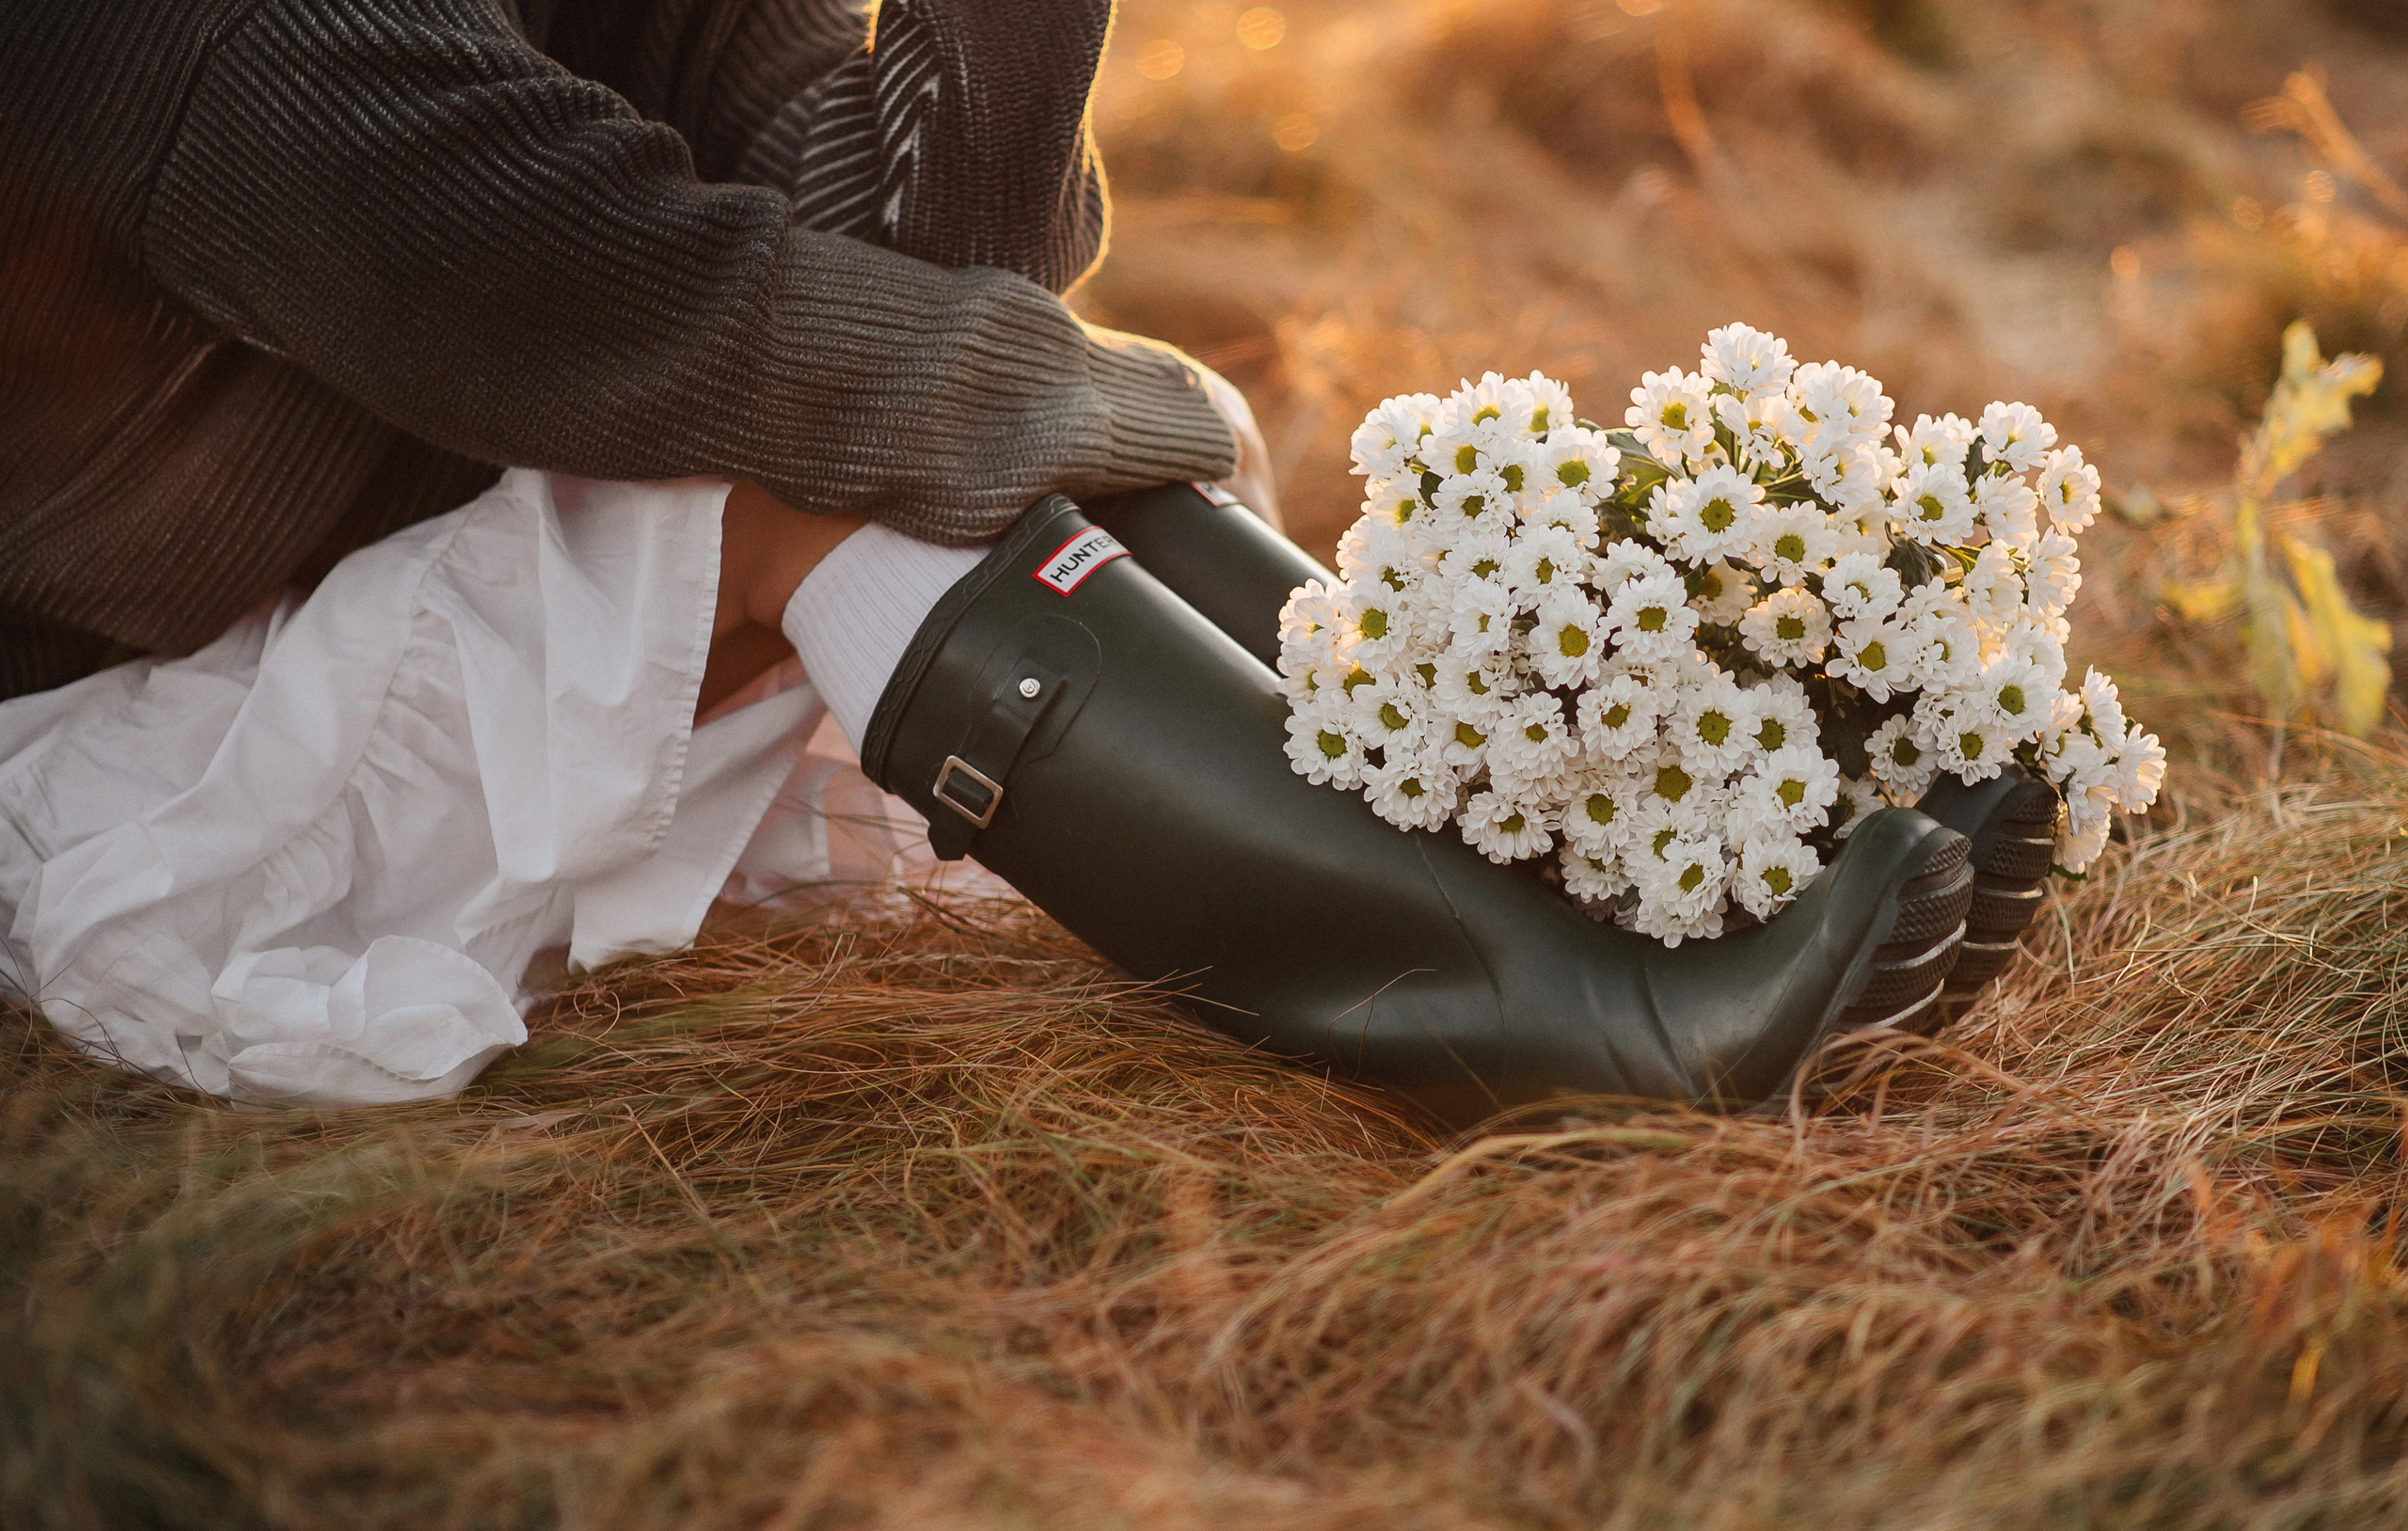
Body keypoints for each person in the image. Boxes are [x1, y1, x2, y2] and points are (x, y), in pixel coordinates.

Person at [0, 0, 2014, 1122]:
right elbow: (694, 322)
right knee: (826, 467)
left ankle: (1643, 890)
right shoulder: (209, 39)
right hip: (155, 723)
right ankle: (1562, 1035)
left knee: (1012, 448)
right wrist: (1112, 407)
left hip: (435, 558)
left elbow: (917, 261)